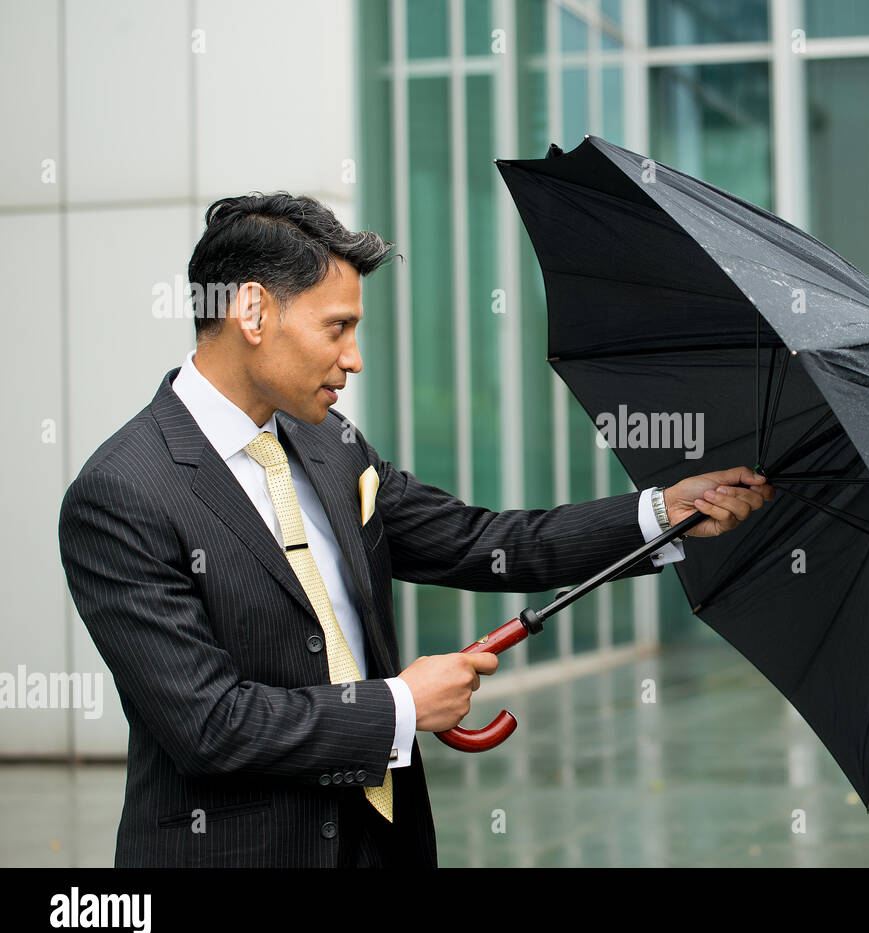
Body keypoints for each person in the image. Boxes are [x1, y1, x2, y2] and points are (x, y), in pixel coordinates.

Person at [57, 192, 773, 867]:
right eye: (337, 327)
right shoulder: (123, 493)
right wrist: (400, 703)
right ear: (253, 312)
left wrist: (658, 513)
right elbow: (208, 725)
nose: (354, 358)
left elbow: (482, 541)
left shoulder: (330, 444)